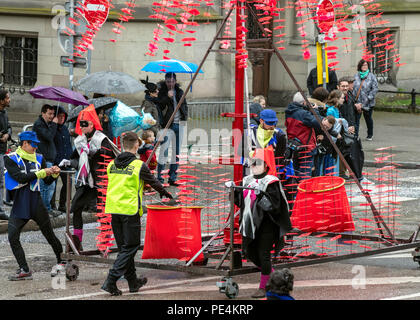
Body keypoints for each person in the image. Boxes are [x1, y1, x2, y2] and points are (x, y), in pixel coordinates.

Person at [101, 131, 173, 296]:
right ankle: (111, 280)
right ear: (136, 146)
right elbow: (153, 181)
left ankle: (133, 282)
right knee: (131, 246)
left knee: (124, 248)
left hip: (114, 209)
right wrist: (165, 193)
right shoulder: (139, 165)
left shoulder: (112, 164)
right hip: (130, 209)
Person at [227, 148, 291, 299]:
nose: (253, 165)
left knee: (264, 256)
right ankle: (275, 277)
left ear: (266, 165)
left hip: (266, 225)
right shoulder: (247, 180)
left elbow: (275, 207)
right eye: (252, 162)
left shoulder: (271, 182)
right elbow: (241, 203)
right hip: (249, 225)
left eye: (258, 163)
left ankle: (264, 287)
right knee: (249, 252)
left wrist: (261, 196)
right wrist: (233, 191)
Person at [5, 131, 64, 280]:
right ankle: (24, 269)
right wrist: (41, 173)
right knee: (12, 236)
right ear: (24, 143)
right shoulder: (10, 158)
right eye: (33, 144)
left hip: (36, 202)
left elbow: (48, 182)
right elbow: (20, 177)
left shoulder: (39, 158)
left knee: (49, 235)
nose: (36, 147)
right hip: (20, 202)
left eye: (37, 144)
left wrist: (55, 174)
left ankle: (62, 262)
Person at [61, 105, 119, 250]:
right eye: (80, 124)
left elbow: (110, 156)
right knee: (76, 207)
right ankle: (76, 242)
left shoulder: (101, 138)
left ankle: (105, 243)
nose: (82, 126)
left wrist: (94, 152)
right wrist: (69, 162)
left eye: (85, 123)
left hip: (101, 181)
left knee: (103, 212)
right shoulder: (80, 140)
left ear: (92, 124)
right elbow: (77, 159)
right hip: (86, 181)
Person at [157, 72, 188, 186]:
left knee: (176, 153)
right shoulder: (161, 92)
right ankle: (159, 178)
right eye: (168, 81)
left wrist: (184, 119)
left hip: (179, 125)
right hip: (167, 125)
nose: (170, 83)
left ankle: (172, 178)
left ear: (175, 81)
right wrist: (167, 97)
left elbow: (184, 105)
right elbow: (159, 105)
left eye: (172, 81)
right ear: (165, 81)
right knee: (163, 151)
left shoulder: (179, 92)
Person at [285, 92, 322, 181]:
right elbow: (318, 122)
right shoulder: (303, 114)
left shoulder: (289, 111)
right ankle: (304, 194)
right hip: (306, 147)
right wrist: (315, 110)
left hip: (294, 146)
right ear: (303, 102)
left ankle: (297, 193)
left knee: (297, 173)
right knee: (305, 175)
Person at [32, 104, 59, 217]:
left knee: (50, 186)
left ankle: (47, 208)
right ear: (43, 113)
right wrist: (54, 124)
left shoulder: (47, 124)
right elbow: (48, 136)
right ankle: (44, 211)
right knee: (44, 187)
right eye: (49, 114)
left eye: (53, 114)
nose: (51, 116)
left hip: (49, 158)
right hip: (43, 159)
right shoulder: (39, 124)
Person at [51, 106, 73, 213]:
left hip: (66, 161)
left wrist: (70, 156)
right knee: (53, 184)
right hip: (56, 160)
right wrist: (54, 125)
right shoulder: (52, 127)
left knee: (68, 183)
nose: (61, 118)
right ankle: (52, 205)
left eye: (63, 116)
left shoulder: (65, 129)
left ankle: (62, 205)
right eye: (59, 116)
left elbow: (67, 144)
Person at [353, 59, 378, 140]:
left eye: (366, 65)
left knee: (368, 118)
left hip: (368, 102)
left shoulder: (372, 76)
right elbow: (353, 88)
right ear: (360, 66)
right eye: (363, 65)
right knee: (356, 119)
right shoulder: (356, 76)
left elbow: (375, 88)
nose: (364, 67)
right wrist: (354, 100)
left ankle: (370, 134)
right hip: (358, 102)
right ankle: (355, 135)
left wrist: (369, 98)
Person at [0, 90, 12, 220]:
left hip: (2, 150)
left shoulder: (5, 113)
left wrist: (7, 135)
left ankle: (0, 209)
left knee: (1, 181)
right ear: (1, 100)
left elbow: (9, 127)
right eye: (7, 98)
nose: (9, 100)